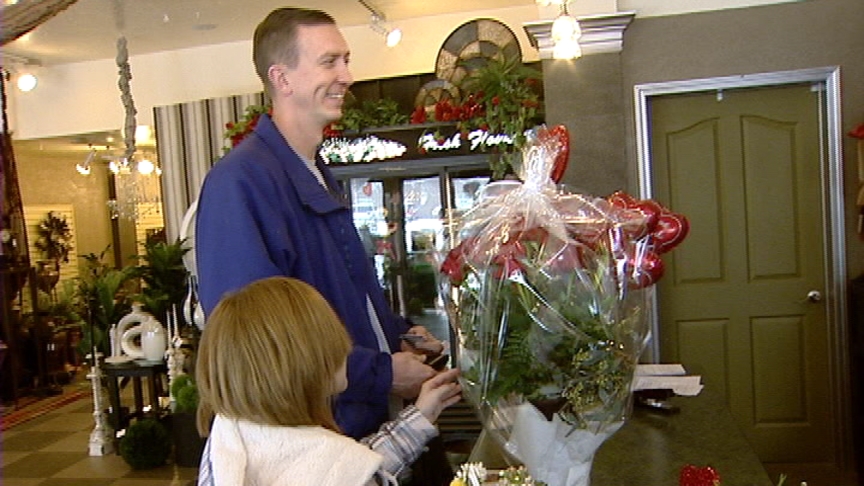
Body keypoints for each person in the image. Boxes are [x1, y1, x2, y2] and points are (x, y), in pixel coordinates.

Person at [194, 6, 442, 441]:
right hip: (317, 441)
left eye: (345, 60)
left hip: (359, 433)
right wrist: (381, 373)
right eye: (330, 61)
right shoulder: (240, 181)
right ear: (281, 78)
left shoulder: (314, 170)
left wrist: (399, 334)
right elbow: (263, 345)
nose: (347, 75)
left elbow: (340, 294)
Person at [196, 276, 462, 486]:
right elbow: (350, 471)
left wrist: (419, 417)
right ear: (304, 362)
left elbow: (348, 467)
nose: (346, 348)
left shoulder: (233, 434)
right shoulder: (327, 457)